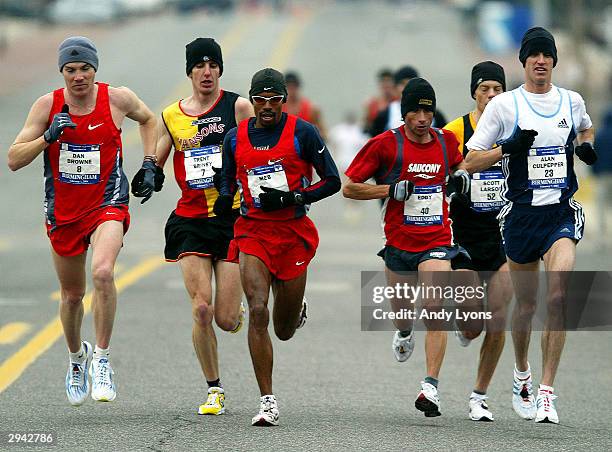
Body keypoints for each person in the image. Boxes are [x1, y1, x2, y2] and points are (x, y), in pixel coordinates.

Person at [7, 36, 159, 405]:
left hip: (108, 203)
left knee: (103, 273)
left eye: (85, 69)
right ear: (62, 72)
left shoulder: (116, 98)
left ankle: (103, 360)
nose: (79, 77)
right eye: (71, 70)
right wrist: (48, 136)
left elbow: (150, 119)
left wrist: (151, 163)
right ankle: (78, 358)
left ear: (95, 69)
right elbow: (13, 158)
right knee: (72, 296)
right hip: (64, 213)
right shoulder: (47, 106)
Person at [465, 27, 596, 424]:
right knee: (525, 305)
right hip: (521, 218)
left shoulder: (571, 101)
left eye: (547, 54)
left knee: (557, 298)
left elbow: (585, 126)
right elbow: (471, 161)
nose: (541, 61)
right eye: (534, 55)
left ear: (553, 61)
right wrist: (509, 147)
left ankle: (546, 392)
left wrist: (585, 144)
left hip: (559, 214)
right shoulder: (504, 106)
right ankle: (522, 374)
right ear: (523, 62)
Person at [214, 68, 340, 426]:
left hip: (292, 233)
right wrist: (225, 198)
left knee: (283, 330)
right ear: (252, 101)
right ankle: (267, 401)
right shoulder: (235, 138)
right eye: (260, 100)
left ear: (283, 100)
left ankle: (295, 311)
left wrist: (294, 196)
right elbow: (226, 179)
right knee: (257, 311)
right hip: (252, 232)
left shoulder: (303, 131)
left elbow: (332, 180)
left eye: (274, 100)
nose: (267, 107)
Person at [343, 77, 471, 417]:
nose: (422, 118)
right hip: (399, 244)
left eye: (427, 110)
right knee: (403, 313)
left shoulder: (446, 142)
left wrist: (460, 177)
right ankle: (403, 331)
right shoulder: (387, 145)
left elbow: (458, 166)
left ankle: (430, 387)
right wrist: (389, 190)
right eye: (415, 110)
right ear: (405, 113)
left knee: (433, 305)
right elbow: (350, 188)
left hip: (437, 240)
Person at [151, 37, 254, 416]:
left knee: (226, 320)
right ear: (190, 72)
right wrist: (149, 174)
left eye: (213, 66)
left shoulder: (237, 106)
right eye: (199, 66)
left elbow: (258, 147)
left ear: (220, 70)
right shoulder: (172, 115)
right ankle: (214, 389)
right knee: (201, 310)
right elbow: (157, 156)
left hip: (231, 218)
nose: (206, 72)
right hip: (190, 221)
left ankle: (241, 307)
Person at [443, 61, 514, 421]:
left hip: (501, 235)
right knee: (473, 325)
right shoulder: (455, 130)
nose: (491, 95)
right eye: (485, 88)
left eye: (497, 89)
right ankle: (464, 324)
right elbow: (437, 174)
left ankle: (479, 396)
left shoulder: (516, 126)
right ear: (474, 92)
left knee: (500, 318)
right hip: (463, 236)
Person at [371, 66, 448, 137]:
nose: (407, 87)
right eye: (403, 83)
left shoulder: (435, 114)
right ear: (395, 87)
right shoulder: (385, 115)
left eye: (411, 83)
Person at [328, 111, 369, 222]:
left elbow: (366, 146)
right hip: (343, 164)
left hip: (356, 165)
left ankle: (355, 205)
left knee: (356, 186)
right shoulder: (339, 130)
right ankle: (350, 206)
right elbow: (333, 144)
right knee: (346, 186)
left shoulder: (360, 130)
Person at [282, 71, 327, 139]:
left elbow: (324, 133)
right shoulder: (278, 108)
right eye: (288, 87)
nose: (291, 91)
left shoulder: (312, 109)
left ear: (298, 87)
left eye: (294, 87)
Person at [363, 68, 396, 136]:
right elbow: (367, 127)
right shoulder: (372, 104)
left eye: (388, 81)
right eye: (383, 81)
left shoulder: (397, 102)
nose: (386, 84)